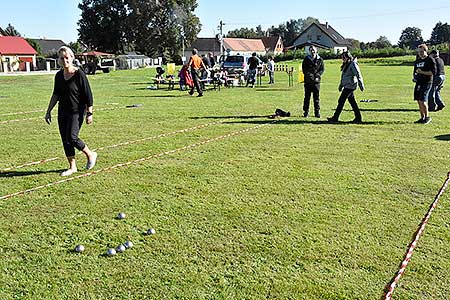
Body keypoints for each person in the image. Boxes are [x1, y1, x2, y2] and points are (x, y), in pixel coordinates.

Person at [45, 46, 97, 176]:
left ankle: (90, 154)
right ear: (59, 60)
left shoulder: (79, 74)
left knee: (72, 138)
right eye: (62, 58)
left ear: (72, 58)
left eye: (67, 57)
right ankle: (72, 167)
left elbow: (88, 95)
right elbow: (56, 94)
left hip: (77, 112)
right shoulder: (59, 76)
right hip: (63, 111)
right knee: (65, 139)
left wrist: (89, 113)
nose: (65, 60)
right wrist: (48, 111)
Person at [327, 51, 364, 123]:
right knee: (352, 102)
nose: (343, 59)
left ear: (348, 57)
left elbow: (358, 74)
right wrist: (341, 85)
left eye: (344, 57)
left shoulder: (353, 64)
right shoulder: (346, 64)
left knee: (341, 101)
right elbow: (343, 76)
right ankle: (358, 118)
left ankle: (335, 118)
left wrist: (361, 85)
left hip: (350, 86)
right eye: (342, 57)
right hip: (347, 85)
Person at [412, 44, 436, 124]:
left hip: (427, 82)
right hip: (419, 82)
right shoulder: (418, 61)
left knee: (423, 100)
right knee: (418, 100)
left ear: (426, 51)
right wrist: (415, 77)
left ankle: (427, 117)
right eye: (419, 52)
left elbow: (432, 72)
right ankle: (422, 117)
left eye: (422, 51)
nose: (420, 53)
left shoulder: (430, 60)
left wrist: (422, 72)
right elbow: (415, 71)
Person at [302, 45, 324, 118]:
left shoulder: (320, 59)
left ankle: (317, 112)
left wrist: (317, 75)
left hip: (316, 82)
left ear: (316, 50)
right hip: (308, 81)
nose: (312, 51)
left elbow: (322, 69)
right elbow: (304, 69)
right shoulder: (306, 59)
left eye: (313, 50)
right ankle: (306, 112)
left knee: (316, 98)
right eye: (311, 50)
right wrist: (309, 75)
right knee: (307, 97)